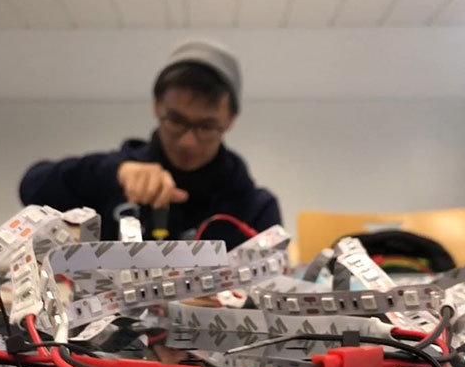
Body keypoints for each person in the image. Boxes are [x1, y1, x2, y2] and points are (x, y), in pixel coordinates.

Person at [19, 40, 281, 248]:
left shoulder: (256, 209)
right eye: (176, 120)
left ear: (230, 120)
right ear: (157, 106)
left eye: (206, 126)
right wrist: (115, 171)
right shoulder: (113, 176)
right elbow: (32, 186)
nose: (188, 142)